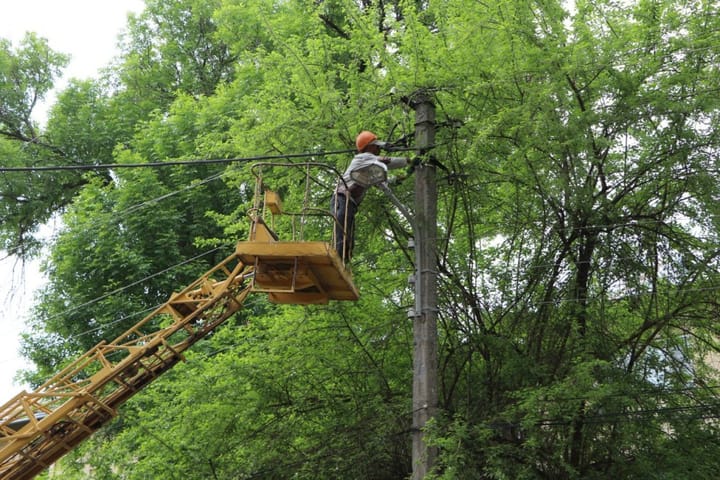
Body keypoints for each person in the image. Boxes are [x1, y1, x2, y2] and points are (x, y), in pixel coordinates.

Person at [331, 131, 409, 262]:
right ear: (369, 147)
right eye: (376, 145)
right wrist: (409, 160)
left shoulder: (369, 167)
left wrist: (398, 179)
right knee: (342, 229)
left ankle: (344, 261)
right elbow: (388, 162)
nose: (378, 148)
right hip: (341, 198)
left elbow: (381, 181)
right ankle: (338, 258)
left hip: (350, 202)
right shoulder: (363, 157)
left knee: (348, 233)